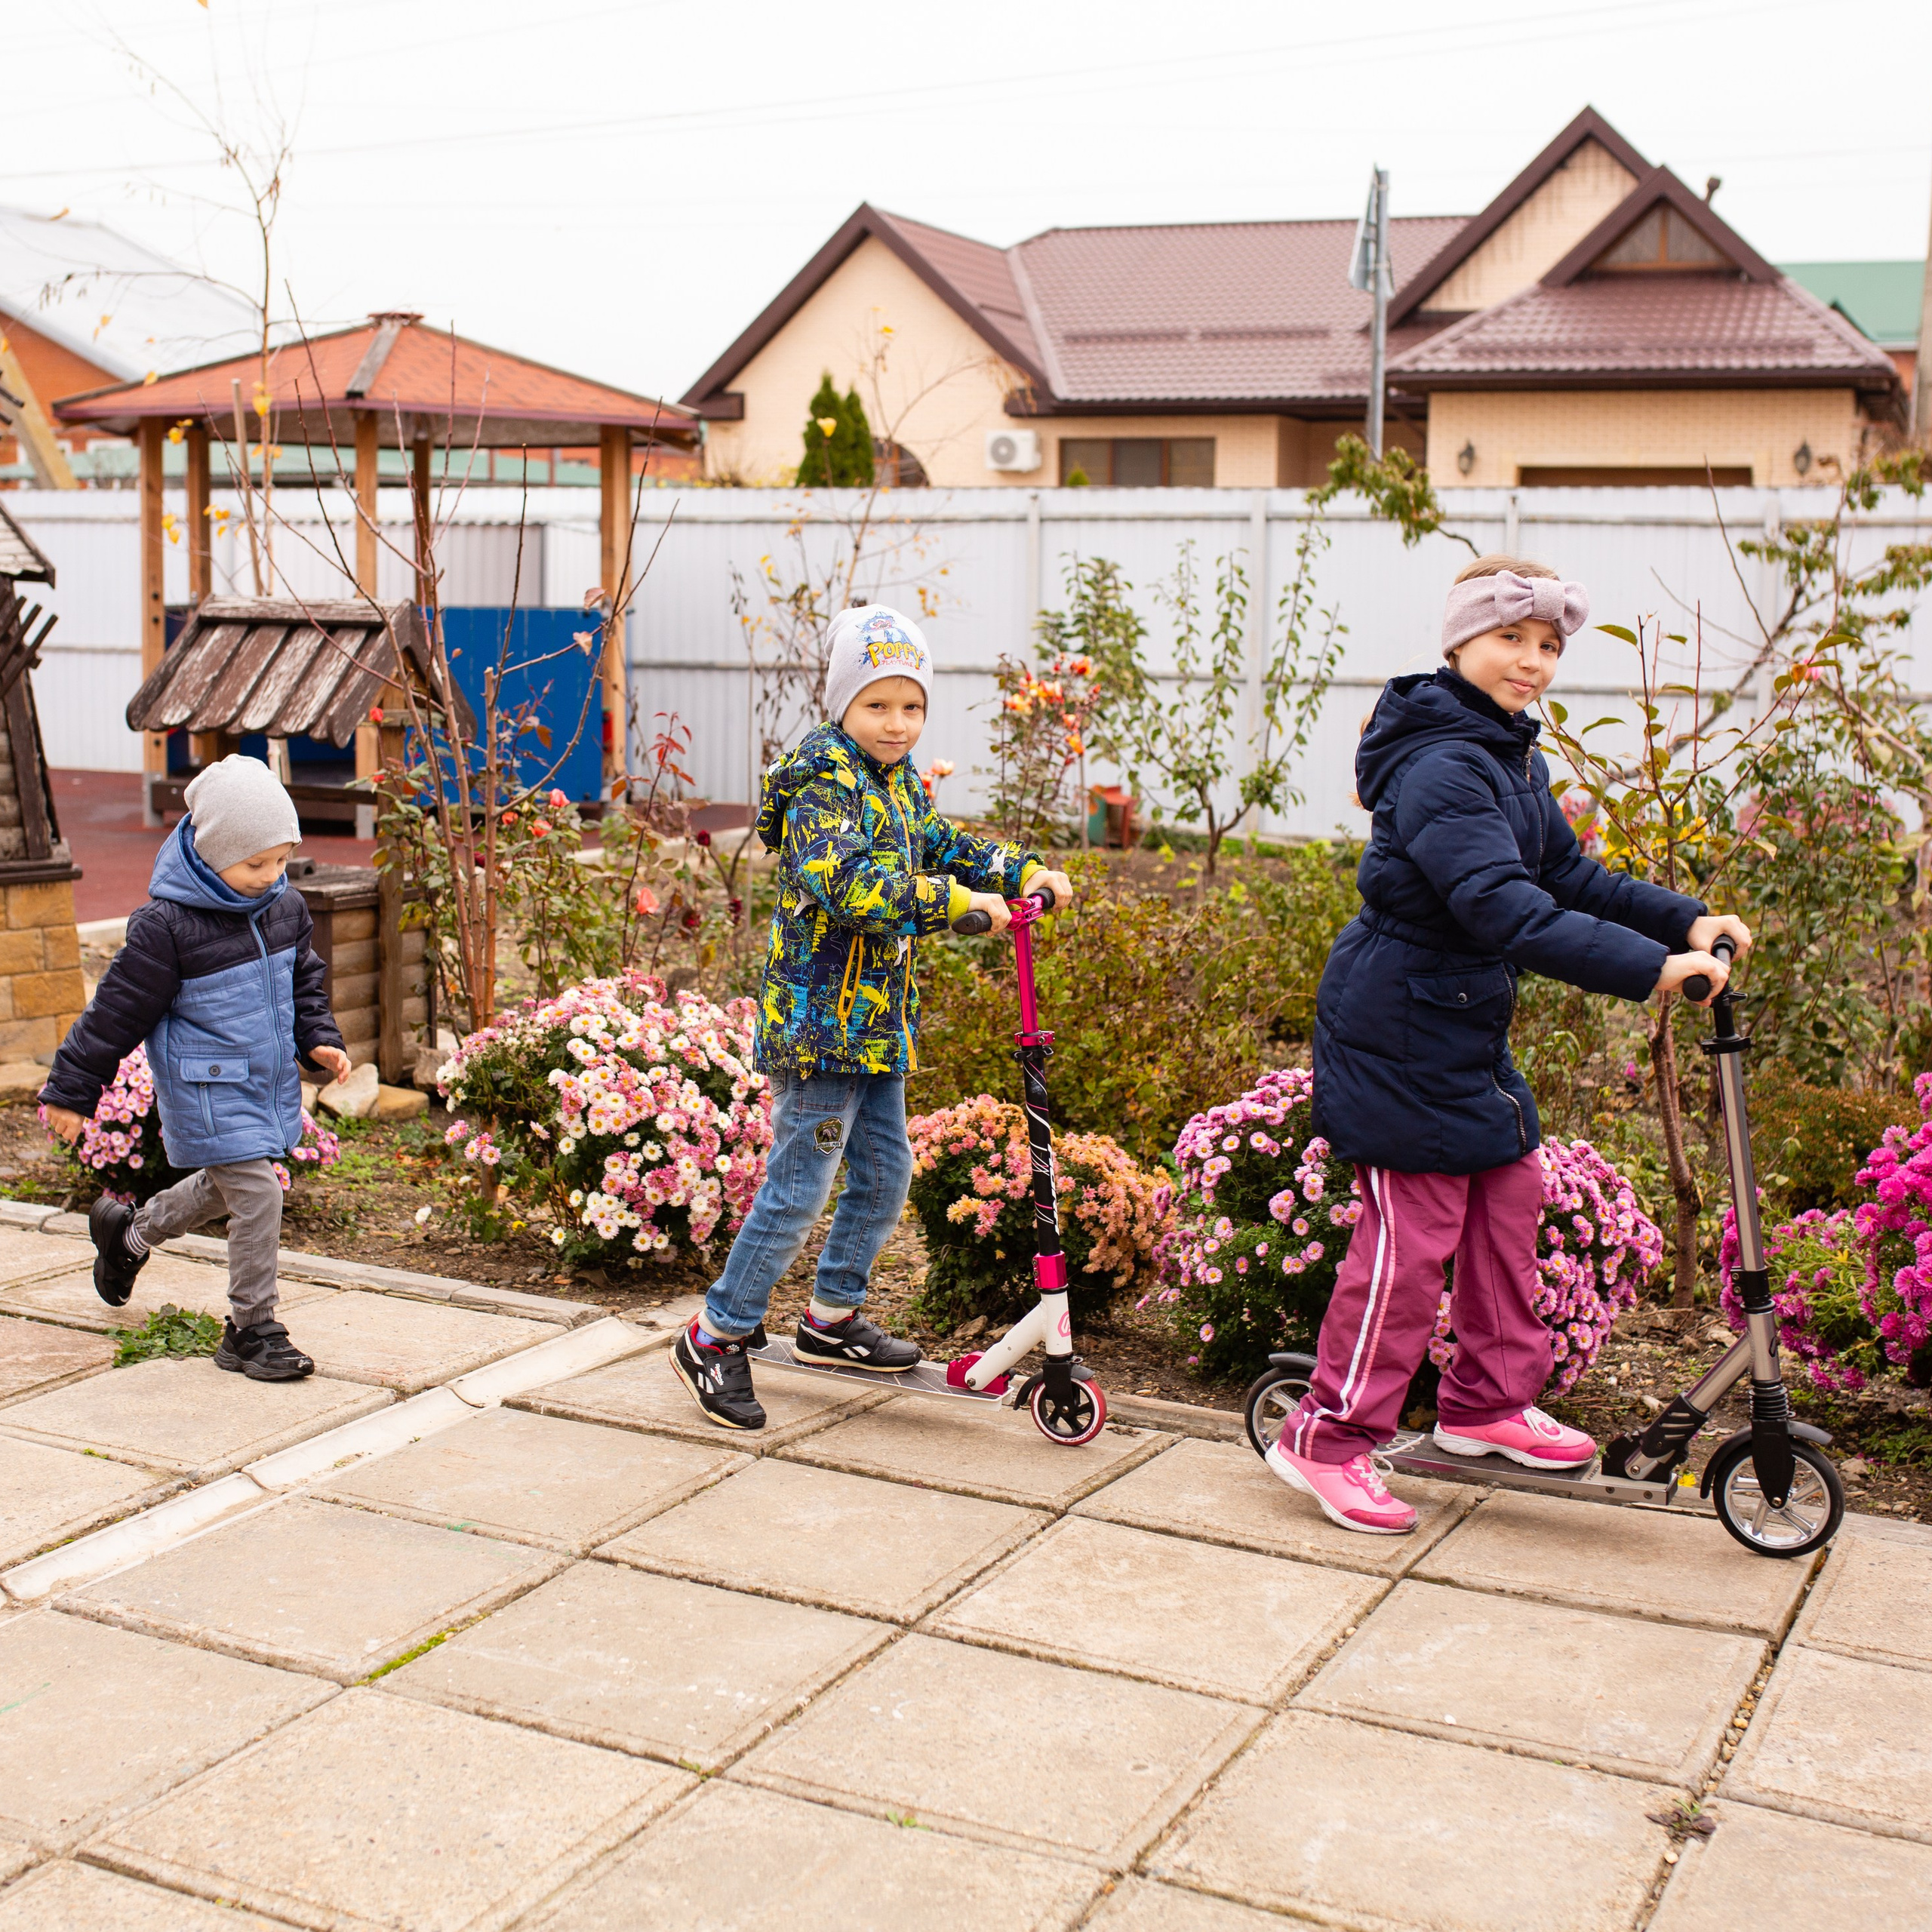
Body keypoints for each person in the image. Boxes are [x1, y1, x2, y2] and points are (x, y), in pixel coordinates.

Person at [1269, 555, 1751, 1534]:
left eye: (1546, 646)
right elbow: (1504, 906)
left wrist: (1683, 922)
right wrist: (1645, 969)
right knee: (1409, 1243)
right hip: (1398, 1021)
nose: (1530, 661)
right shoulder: (1445, 762)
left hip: (1455, 1017)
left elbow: (1568, 874)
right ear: (1459, 644)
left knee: (1510, 1191)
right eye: (1510, 640)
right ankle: (1326, 1437)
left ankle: (1487, 1404)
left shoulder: (1508, 756)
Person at [672, 604, 1075, 1431]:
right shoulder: (823, 779)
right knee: (798, 1186)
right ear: (843, 704)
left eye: (912, 706)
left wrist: (1020, 867)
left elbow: (940, 843)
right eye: (878, 705)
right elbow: (852, 884)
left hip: (873, 1029)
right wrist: (959, 905)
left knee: (885, 1175)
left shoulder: (893, 780)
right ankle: (714, 1336)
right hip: (820, 1030)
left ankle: (830, 1318)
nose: (897, 723)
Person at [39, 755, 351, 1381]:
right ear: (209, 853)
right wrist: (72, 1092)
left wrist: (317, 1038)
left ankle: (128, 1236)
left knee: (229, 1187)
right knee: (259, 1190)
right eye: (255, 864)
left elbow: (304, 983)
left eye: (282, 860)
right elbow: (114, 1014)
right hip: (207, 1087)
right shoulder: (166, 929)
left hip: (263, 1084)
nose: (271, 877)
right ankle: (250, 1328)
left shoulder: (284, 907)